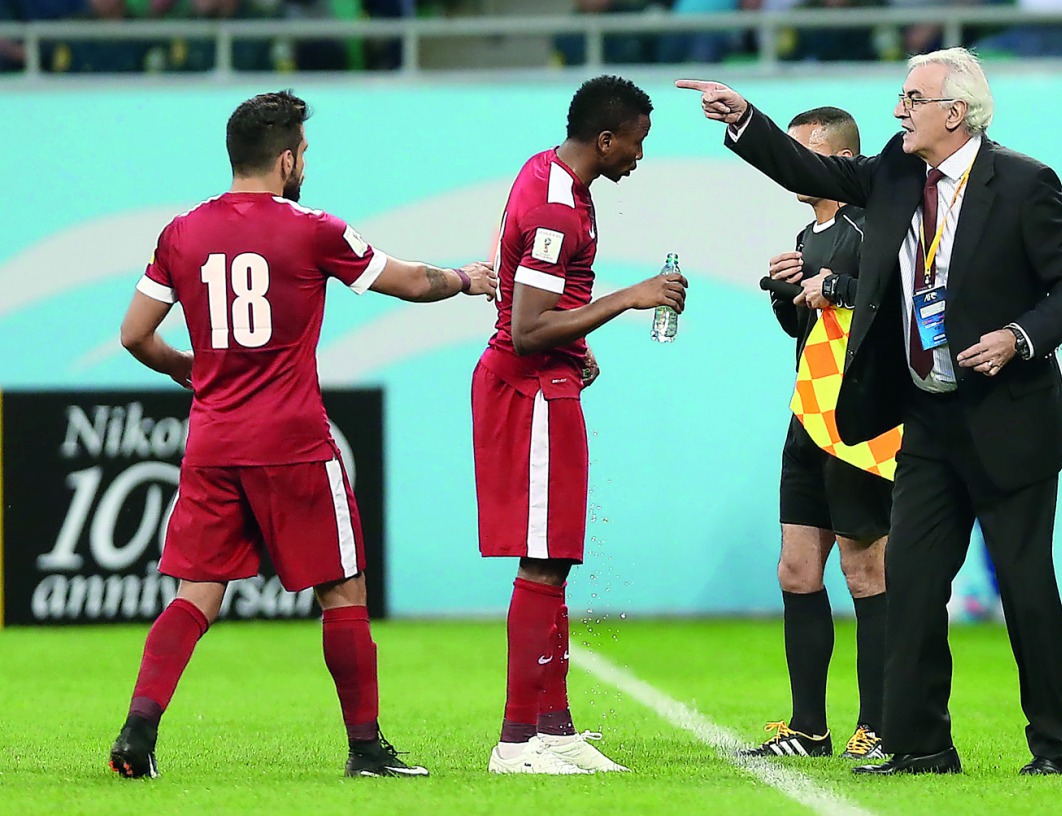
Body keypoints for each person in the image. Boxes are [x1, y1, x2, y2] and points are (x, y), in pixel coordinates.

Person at [678, 45, 1062, 776]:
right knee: (911, 584)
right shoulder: (896, 173)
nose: (898, 111)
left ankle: (1054, 745)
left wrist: (1018, 337)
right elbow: (810, 169)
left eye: (912, 99)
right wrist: (745, 116)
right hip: (926, 419)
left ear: (955, 112)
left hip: (1008, 417)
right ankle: (923, 745)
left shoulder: (1025, 182)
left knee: (1025, 585)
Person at [110, 89, 498, 781]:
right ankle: (366, 750)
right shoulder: (314, 229)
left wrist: (187, 371)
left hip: (213, 443)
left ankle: (137, 734)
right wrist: (466, 279)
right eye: (304, 153)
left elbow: (135, 335)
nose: (306, 164)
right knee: (342, 592)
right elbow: (411, 283)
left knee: (196, 594)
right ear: (286, 159)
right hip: (293, 442)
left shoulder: (181, 233)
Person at [472, 75, 687, 775]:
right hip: (528, 389)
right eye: (637, 142)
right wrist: (630, 298)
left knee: (557, 558)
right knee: (541, 558)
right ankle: (515, 740)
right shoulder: (557, 206)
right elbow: (528, 329)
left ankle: (554, 729)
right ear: (605, 138)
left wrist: (576, 346)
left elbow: (522, 294)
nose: (640, 156)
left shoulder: (553, 176)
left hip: (548, 381)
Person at [740, 106, 890, 763]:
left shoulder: (872, 227)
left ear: (840, 160)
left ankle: (880, 725)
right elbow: (807, 328)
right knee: (797, 570)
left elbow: (893, 309)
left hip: (856, 420)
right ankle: (808, 729)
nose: (789, 165)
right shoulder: (807, 235)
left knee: (864, 569)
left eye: (802, 152)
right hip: (807, 413)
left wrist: (842, 287)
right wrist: (786, 291)